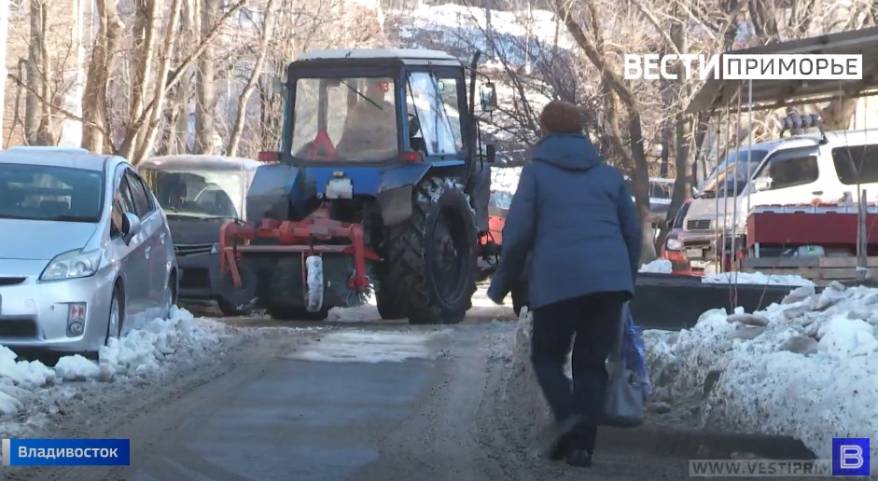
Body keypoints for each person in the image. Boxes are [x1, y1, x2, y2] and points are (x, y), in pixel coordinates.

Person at [487, 100, 641, 468]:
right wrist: (624, 280)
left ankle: (569, 420)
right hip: (608, 284)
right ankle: (581, 447)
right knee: (590, 364)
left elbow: (519, 233)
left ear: (545, 131)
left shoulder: (536, 173)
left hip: (557, 282)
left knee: (546, 357)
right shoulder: (608, 175)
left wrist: (502, 282)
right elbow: (632, 234)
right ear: (580, 132)